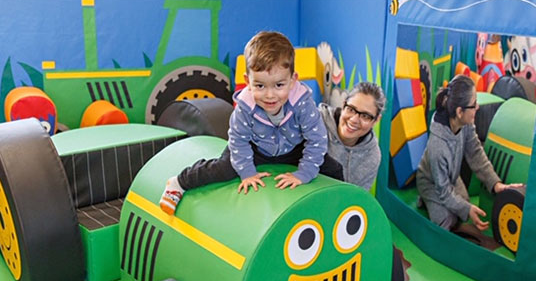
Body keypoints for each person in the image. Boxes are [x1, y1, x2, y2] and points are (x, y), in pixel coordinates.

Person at [159, 31, 344, 215]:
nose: (270, 95)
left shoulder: (303, 102)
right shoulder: (244, 107)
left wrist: (304, 173)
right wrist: (247, 172)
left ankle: (343, 203)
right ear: (248, 81)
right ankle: (180, 182)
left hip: (293, 147)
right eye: (260, 86)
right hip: (254, 147)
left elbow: (317, 139)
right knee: (223, 168)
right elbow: (238, 140)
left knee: (334, 169)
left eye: (279, 85)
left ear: (293, 80)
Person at [416, 74, 522, 231]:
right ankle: (425, 198)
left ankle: (446, 205)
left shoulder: (465, 124)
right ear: (460, 112)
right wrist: (466, 209)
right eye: (474, 104)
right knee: (446, 220)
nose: (478, 107)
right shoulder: (438, 147)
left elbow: (476, 153)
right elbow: (444, 191)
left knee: (463, 205)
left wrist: (495, 183)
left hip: (450, 178)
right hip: (431, 182)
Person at [318, 82, 386, 191]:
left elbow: (355, 198)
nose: (354, 120)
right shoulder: (315, 124)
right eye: (351, 109)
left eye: (365, 116)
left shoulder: (372, 156)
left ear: (376, 120)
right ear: (343, 104)